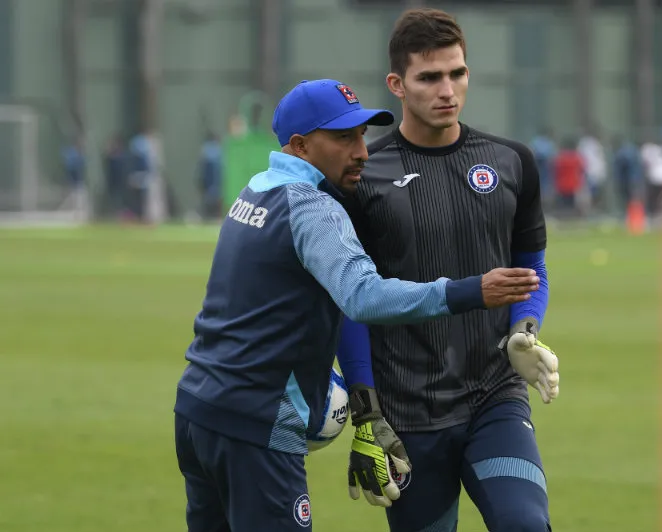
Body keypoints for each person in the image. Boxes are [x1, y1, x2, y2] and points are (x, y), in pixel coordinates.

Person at [172, 78, 540, 531]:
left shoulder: (256, 190)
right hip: (256, 423)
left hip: (198, 409)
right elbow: (363, 296)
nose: (362, 152)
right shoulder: (313, 208)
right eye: (344, 138)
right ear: (301, 146)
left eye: (363, 135)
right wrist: (469, 291)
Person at [336, 9, 560, 532]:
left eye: (457, 73)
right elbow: (349, 302)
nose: (447, 90)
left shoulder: (512, 162)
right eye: (429, 77)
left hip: (495, 397)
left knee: (526, 524)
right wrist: (366, 411)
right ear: (397, 84)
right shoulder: (362, 178)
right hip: (407, 413)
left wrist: (524, 331)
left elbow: (531, 268)